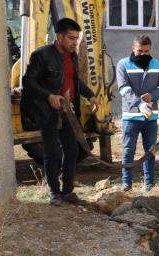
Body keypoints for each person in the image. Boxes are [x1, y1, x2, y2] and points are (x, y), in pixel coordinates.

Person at [21, 18, 98, 206]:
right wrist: (49, 96)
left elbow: (74, 80)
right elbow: (28, 82)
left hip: (68, 111)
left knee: (72, 150)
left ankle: (68, 192)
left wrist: (90, 95)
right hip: (47, 111)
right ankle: (54, 193)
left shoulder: (72, 55)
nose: (74, 42)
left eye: (76, 38)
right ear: (60, 36)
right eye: (71, 38)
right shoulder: (42, 55)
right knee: (50, 152)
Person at [116, 35, 159, 192]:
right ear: (133, 48)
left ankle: (149, 184)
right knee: (128, 150)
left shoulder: (156, 64)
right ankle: (126, 184)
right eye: (140, 51)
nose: (143, 54)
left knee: (150, 151)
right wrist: (139, 104)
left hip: (150, 117)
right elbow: (123, 88)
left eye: (146, 51)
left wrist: (152, 96)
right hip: (131, 117)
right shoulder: (123, 64)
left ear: (150, 49)